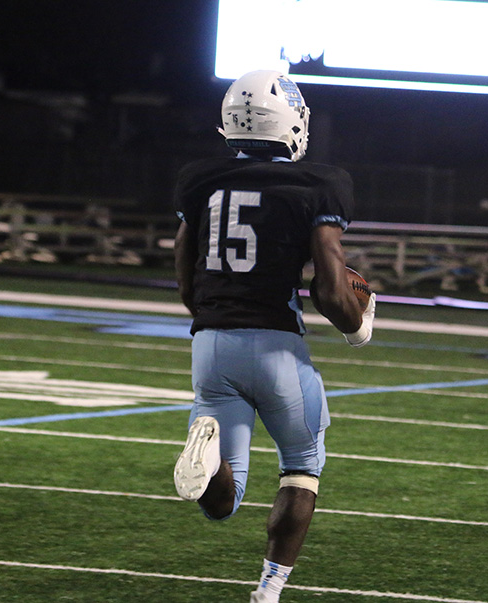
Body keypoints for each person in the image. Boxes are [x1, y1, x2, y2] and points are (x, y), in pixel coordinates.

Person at [171, 70, 376, 603]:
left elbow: (184, 267)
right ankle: (268, 591)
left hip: (210, 345)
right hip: (275, 345)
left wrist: (212, 311)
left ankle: (209, 459)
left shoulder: (200, 178)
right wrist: (359, 327)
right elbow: (330, 290)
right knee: (302, 469)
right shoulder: (319, 183)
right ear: (292, 120)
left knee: (224, 500)